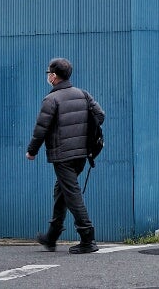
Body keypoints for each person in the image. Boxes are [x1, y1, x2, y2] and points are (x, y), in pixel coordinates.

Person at [26, 57, 105, 254]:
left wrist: (32, 151)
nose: (47, 77)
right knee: (61, 192)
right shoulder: (83, 94)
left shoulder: (51, 100)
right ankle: (51, 237)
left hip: (62, 155)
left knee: (72, 194)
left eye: (48, 73)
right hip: (81, 155)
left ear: (53, 76)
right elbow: (100, 116)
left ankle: (87, 238)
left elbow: (41, 129)